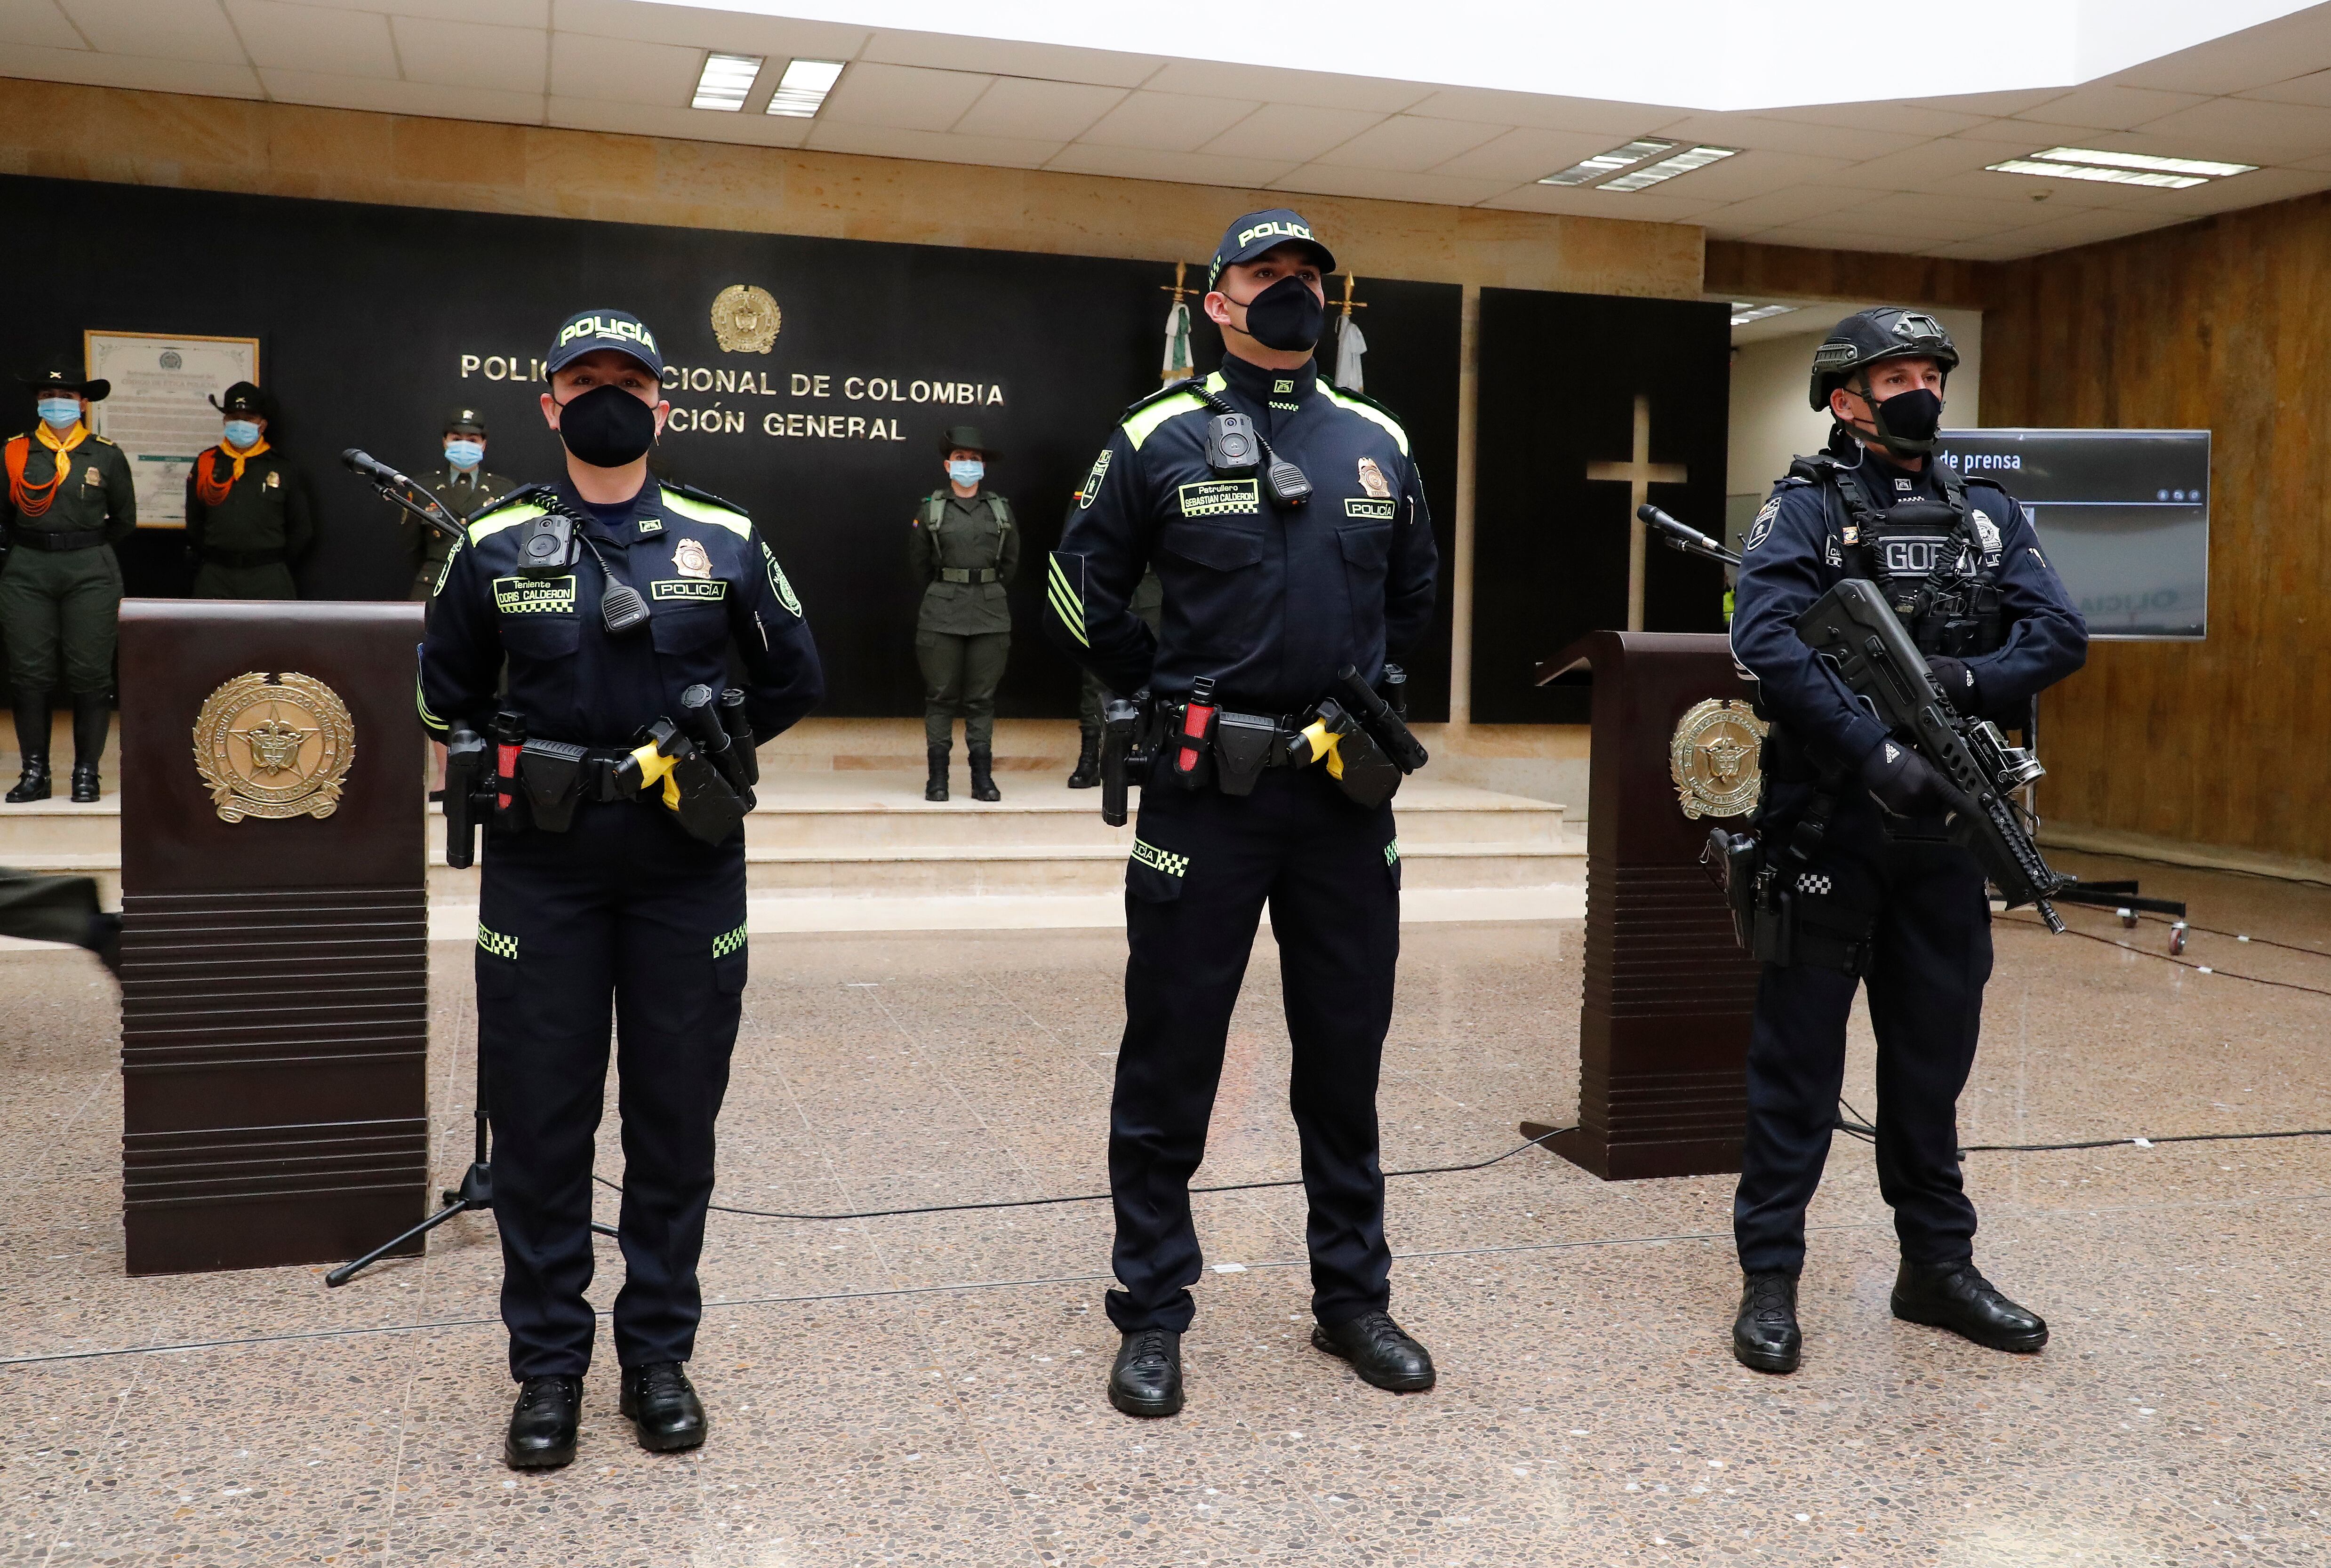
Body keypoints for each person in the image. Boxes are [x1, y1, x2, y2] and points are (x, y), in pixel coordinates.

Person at [1042, 208, 1439, 1417]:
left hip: (1340, 799)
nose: (1292, 294)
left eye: (1309, 278)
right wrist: (1157, 688)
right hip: (1203, 799)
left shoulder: (1374, 438)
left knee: (1342, 1058)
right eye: (1267, 276)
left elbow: (1412, 594)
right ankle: (1153, 1311)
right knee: (1170, 1058)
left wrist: (1366, 693)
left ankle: (1352, 1302)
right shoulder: (1154, 433)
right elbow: (1077, 583)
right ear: (1216, 301)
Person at [419, 309, 823, 1470]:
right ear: (547, 405)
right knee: (542, 1128)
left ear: (664, 404)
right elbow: (435, 692)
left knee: (673, 1118)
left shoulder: (725, 535)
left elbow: (797, 672)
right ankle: (548, 1366)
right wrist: (498, 757)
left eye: (628, 381)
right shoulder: (491, 540)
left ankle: (657, 1354)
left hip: (682, 869)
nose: (606, 396)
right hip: (541, 869)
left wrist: (714, 746)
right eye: (581, 380)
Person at [1725, 308, 2087, 1375]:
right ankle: (1770, 1278)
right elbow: (1766, 638)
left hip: (1942, 834)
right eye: (1895, 375)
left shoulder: (1982, 512)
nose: (1919, 388)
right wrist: (1870, 748)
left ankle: (1933, 1266)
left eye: (1930, 372)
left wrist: (1960, 684)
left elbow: (2055, 634)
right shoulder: (1804, 508)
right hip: (1828, 825)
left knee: (1928, 1065)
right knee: (1794, 1069)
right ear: (1843, 398)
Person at [1, 354, 135, 804]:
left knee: (91, 673)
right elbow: (5, 514)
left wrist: (82, 544)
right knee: (29, 674)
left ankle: (86, 772)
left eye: (66, 396)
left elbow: (125, 520)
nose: (56, 403)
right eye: (47, 396)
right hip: (29, 570)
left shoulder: (106, 454)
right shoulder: (15, 451)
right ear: (37, 403)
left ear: (83, 403)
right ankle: (35, 773)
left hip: (89, 570)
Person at [909, 424, 1017, 802]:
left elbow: (1010, 565)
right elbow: (920, 565)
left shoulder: (999, 510)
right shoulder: (932, 509)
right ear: (947, 465)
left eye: (974, 459)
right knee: (940, 697)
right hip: (942, 612)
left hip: (989, 613)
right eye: (960, 459)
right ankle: (937, 780)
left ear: (983, 467)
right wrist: (949, 591)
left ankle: (981, 779)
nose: (967, 465)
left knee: (981, 700)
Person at [185, 382, 314, 600]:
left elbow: (301, 529)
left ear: (262, 425)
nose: (240, 424)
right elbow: (195, 521)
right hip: (217, 575)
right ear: (225, 421)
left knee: (270, 633)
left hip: (268, 575)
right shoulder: (207, 463)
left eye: (248, 419)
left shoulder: (282, 468)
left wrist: (271, 561)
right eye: (233, 417)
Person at [405, 406, 516, 600]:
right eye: (457, 440)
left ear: (483, 445)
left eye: (473, 440)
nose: (464, 446)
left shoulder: (504, 490)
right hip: (433, 588)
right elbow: (412, 548)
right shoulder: (423, 488)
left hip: (485, 588)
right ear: (445, 442)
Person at [1068, 568, 1160, 788]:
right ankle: (1091, 755)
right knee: (1095, 679)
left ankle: (1151, 754)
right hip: (1106, 593)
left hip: (1154, 594)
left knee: (1156, 675)